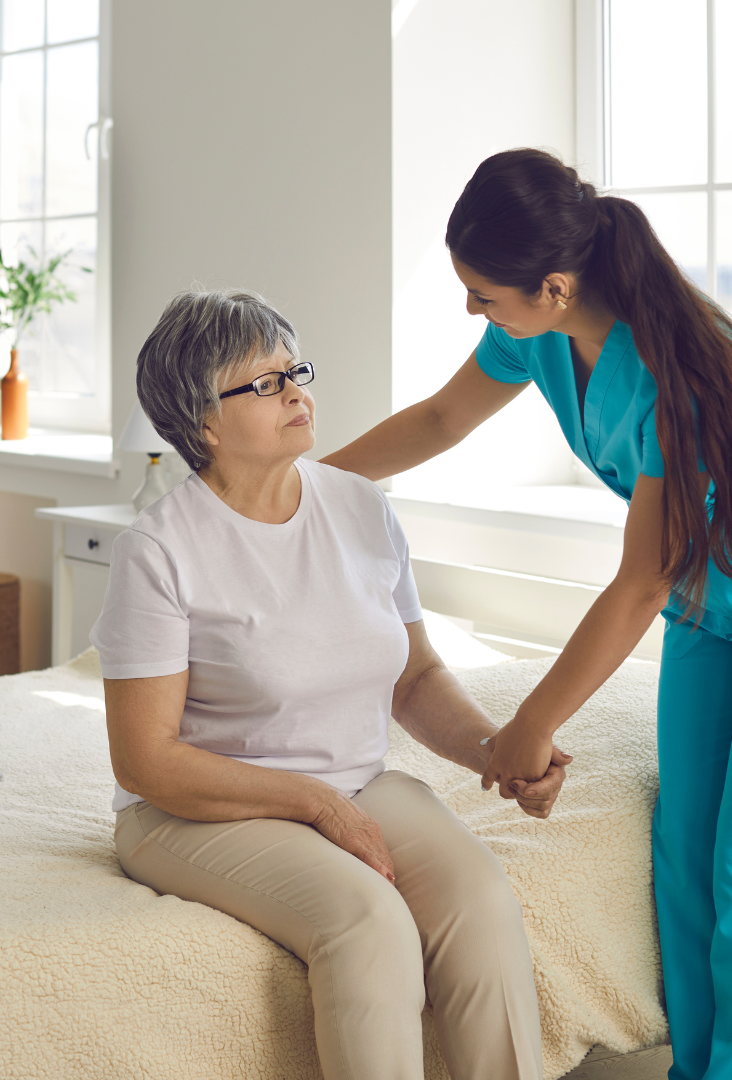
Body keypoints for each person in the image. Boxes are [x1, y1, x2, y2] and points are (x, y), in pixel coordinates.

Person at [323, 148, 732, 1080]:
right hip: (710, 613)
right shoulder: (538, 334)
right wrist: (308, 488)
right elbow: (437, 421)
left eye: (483, 294)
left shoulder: (687, 368)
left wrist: (532, 725)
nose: (473, 310)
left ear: (553, 285)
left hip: (685, 587)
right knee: (682, 858)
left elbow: (638, 579)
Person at [92, 289, 570, 1080]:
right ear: (202, 422)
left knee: (480, 896)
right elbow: (145, 762)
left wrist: (497, 749)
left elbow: (414, 679)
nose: (298, 393)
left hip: (356, 782)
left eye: (296, 371)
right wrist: (314, 804)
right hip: (193, 812)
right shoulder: (159, 550)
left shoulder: (360, 507)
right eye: (266, 383)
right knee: (369, 921)